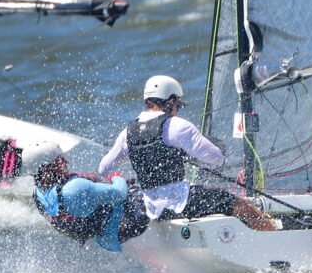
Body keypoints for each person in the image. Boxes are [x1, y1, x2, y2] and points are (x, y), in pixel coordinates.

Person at [98, 75, 276, 231]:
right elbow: (216, 159)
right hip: (180, 203)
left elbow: (105, 168)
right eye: (178, 104)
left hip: (151, 207)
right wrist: (191, 154)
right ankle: (273, 237)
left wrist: (122, 180)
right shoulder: (178, 126)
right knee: (241, 205)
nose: (178, 108)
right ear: (171, 100)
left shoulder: (127, 133)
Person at [29, 142, 150, 251]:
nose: (66, 162)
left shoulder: (38, 194)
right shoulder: (74, 189)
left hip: (97, 235)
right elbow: (119, 193)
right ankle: (164, 214)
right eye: (60, 159)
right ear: (49, 168)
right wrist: (115, 176)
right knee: (137, 193)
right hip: (123, 228)